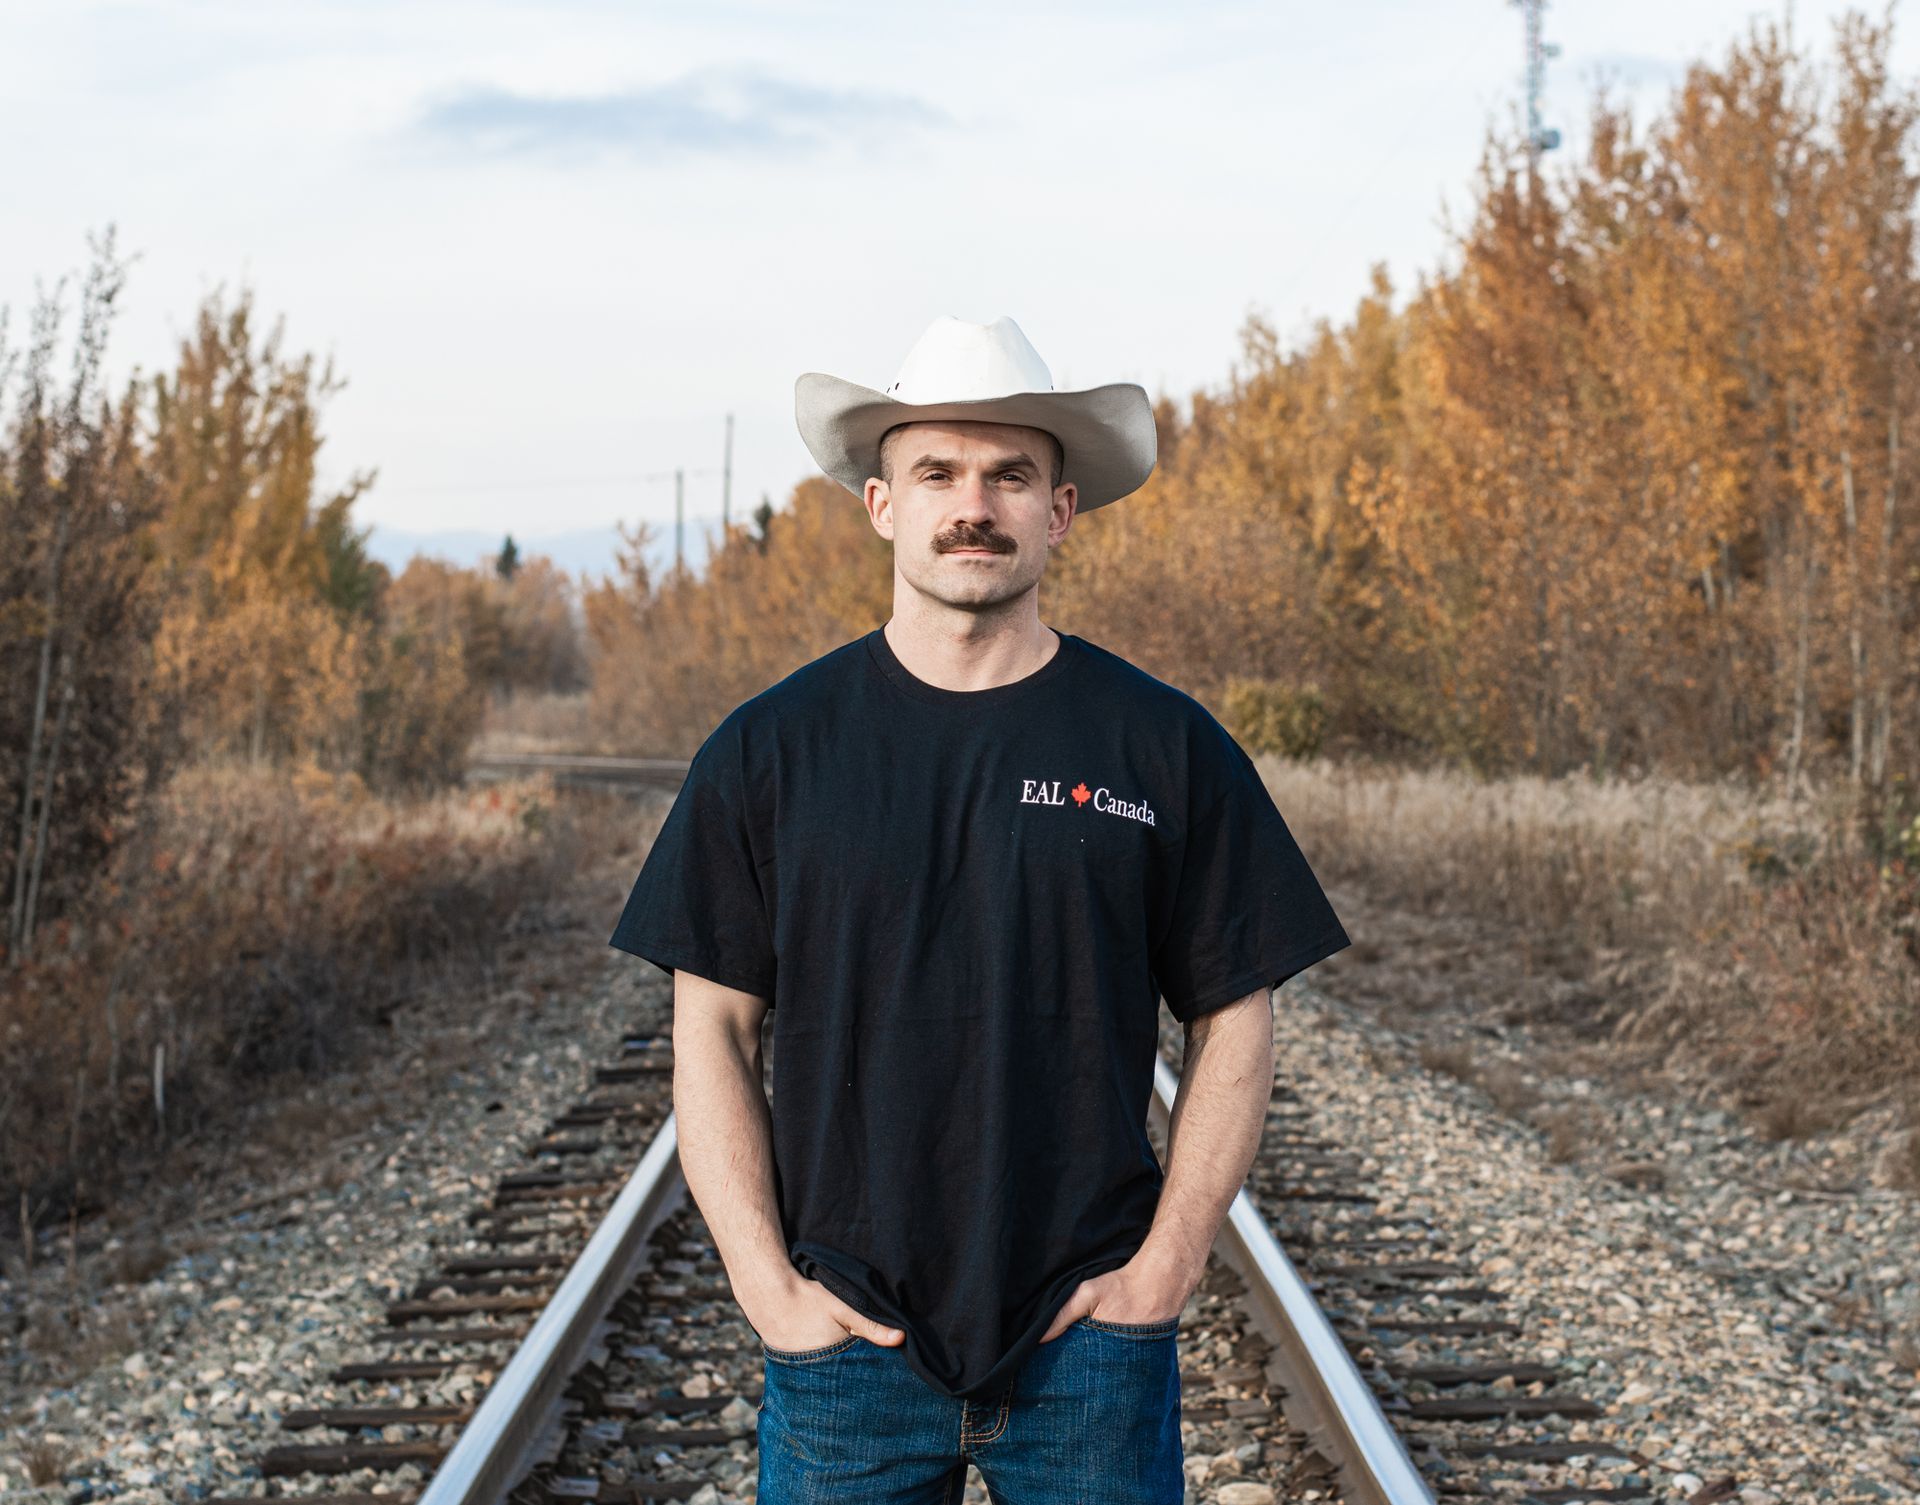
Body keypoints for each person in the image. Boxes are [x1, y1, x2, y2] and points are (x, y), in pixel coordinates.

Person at [609, 314, 1351, 1503]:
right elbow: (711, 1026)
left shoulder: (1162, 745)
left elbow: (1237, 1010)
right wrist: (766, 1287)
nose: (975, 504)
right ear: (880, 505)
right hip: (845, 1346)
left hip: (1087, 1345)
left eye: (1010, 474)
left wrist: (1168, 1262)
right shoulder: (770, 752)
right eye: (938, 472)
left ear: (1059, 510)